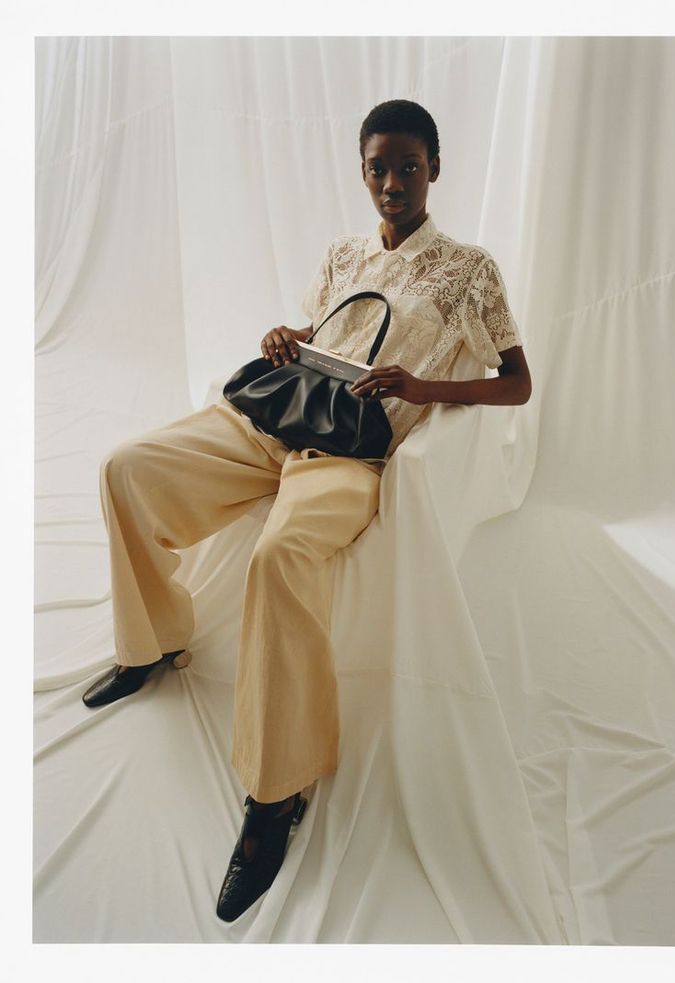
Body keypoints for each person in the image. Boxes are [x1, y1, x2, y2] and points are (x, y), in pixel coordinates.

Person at [81, 98, 532, 923]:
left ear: (435, 168)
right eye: (376, 168)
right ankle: (151, 639)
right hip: (275, 422)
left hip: (352, 451)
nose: (391, 182)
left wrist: (421, 387)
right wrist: (287, 335)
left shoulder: (470, 270)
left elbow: (518, 381)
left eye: (406, 166)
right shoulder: (342, 252)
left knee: (280, 557)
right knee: (127, 467)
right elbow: (319, 332)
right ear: (361, 172)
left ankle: (275, 791)